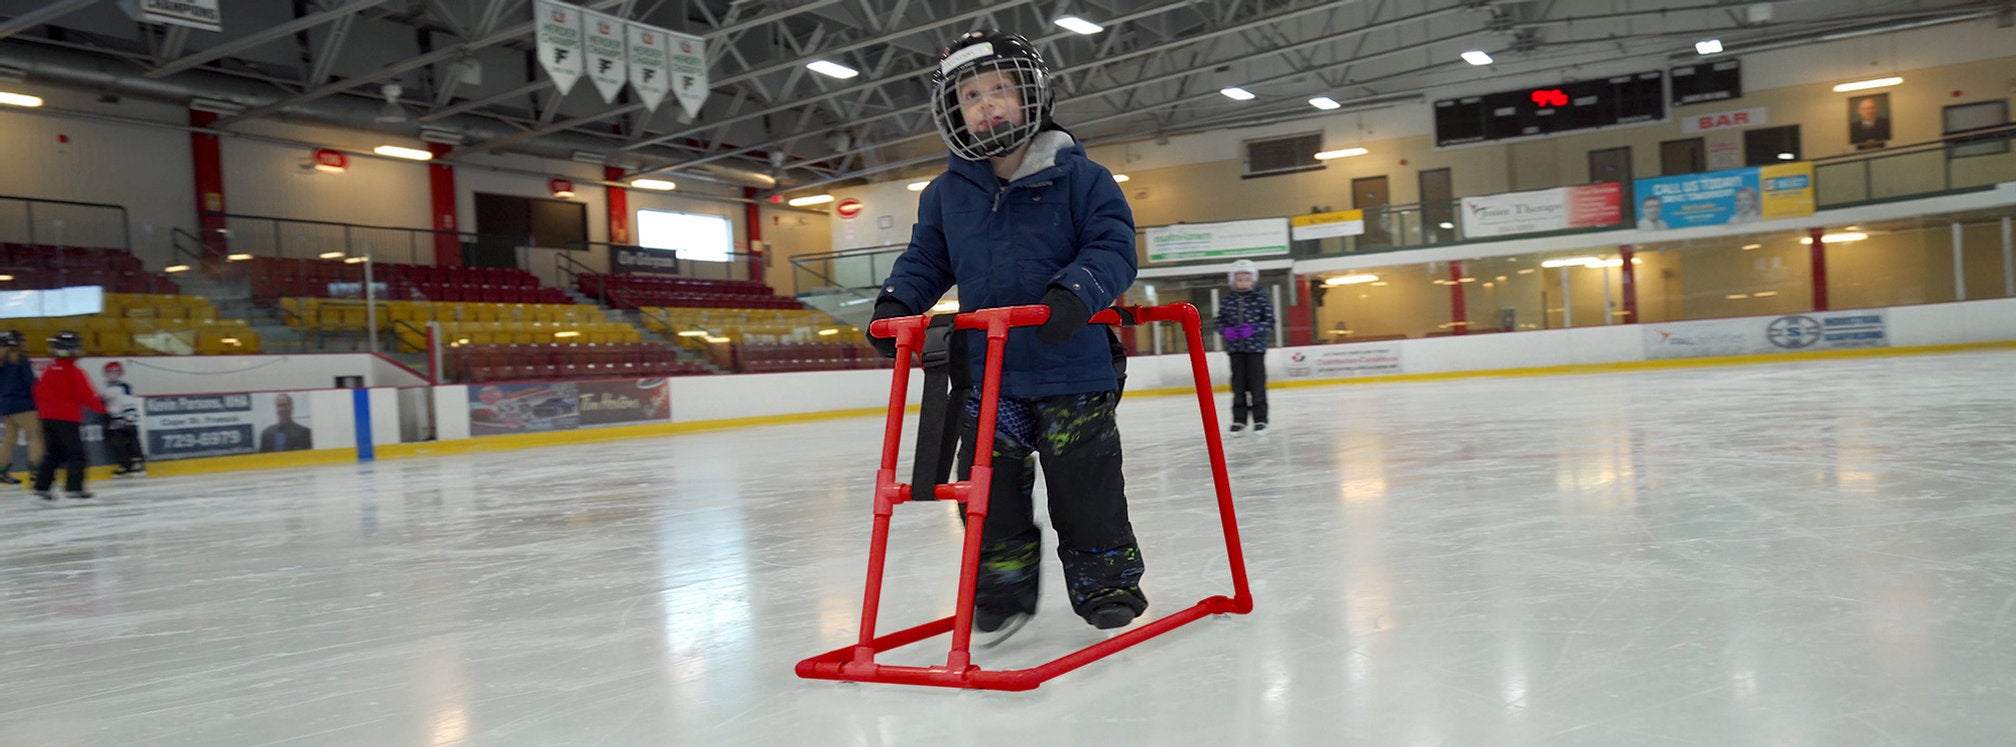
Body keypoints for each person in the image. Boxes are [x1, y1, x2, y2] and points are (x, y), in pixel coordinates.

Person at [866, 29, 1145, 642]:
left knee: (1086, 487)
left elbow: (1114, 247)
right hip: (989, 378)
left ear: (1030, 97)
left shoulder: (1084, 179)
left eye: (999, 90)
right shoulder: (946, 195)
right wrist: (897, 304)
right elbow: (925, 260)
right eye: (971, 96)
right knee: (987, 491)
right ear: (954, 114)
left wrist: (1075, 293)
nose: (987, 104)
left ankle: (1107, 586)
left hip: (1072, 365)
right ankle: (1001, 587)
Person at [32, 331, 104, 501]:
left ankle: (41, 486)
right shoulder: (74, 372)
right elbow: (86, 395)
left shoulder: (48, 370)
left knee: (54, 453)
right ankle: (74, 488)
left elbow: (37, 392)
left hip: (47, 418)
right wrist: (102, 408)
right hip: (67, 418)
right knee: (76, 454)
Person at [1217, 259, 1274, 434]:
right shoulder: (1228, 301)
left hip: (1255, 350)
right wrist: (1225, 330)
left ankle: (1260, 419)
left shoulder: (1261, 299)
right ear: (1233, 281)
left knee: (1257, 386)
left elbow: (1270, 322)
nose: (1243, 283)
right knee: (1238, 387)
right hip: (1236, 351)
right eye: (1239, 279)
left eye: (1246, 279)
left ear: (1253, 280)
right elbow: (1219, 321)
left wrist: (1254, 330)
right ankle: (1239, 420)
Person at [0, 330, 41, 485]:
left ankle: (1, 470)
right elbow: (30, 382)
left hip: (6, 405)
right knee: (35, 437)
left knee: (9, 440)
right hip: (24, 405)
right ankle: (35, 471)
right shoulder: (20, 359)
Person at [100, 361, 146, 476]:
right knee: (118, 443)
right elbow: (106, 404)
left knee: (131, 440)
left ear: (120, 373)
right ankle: (125, 465)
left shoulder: (124, 387)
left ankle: (138, 464)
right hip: (114, 419)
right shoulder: (106, 389)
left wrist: (129, 418)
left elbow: (129, 402)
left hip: (126, 418)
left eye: (115, 372)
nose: (113, 374)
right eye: (110, 372)